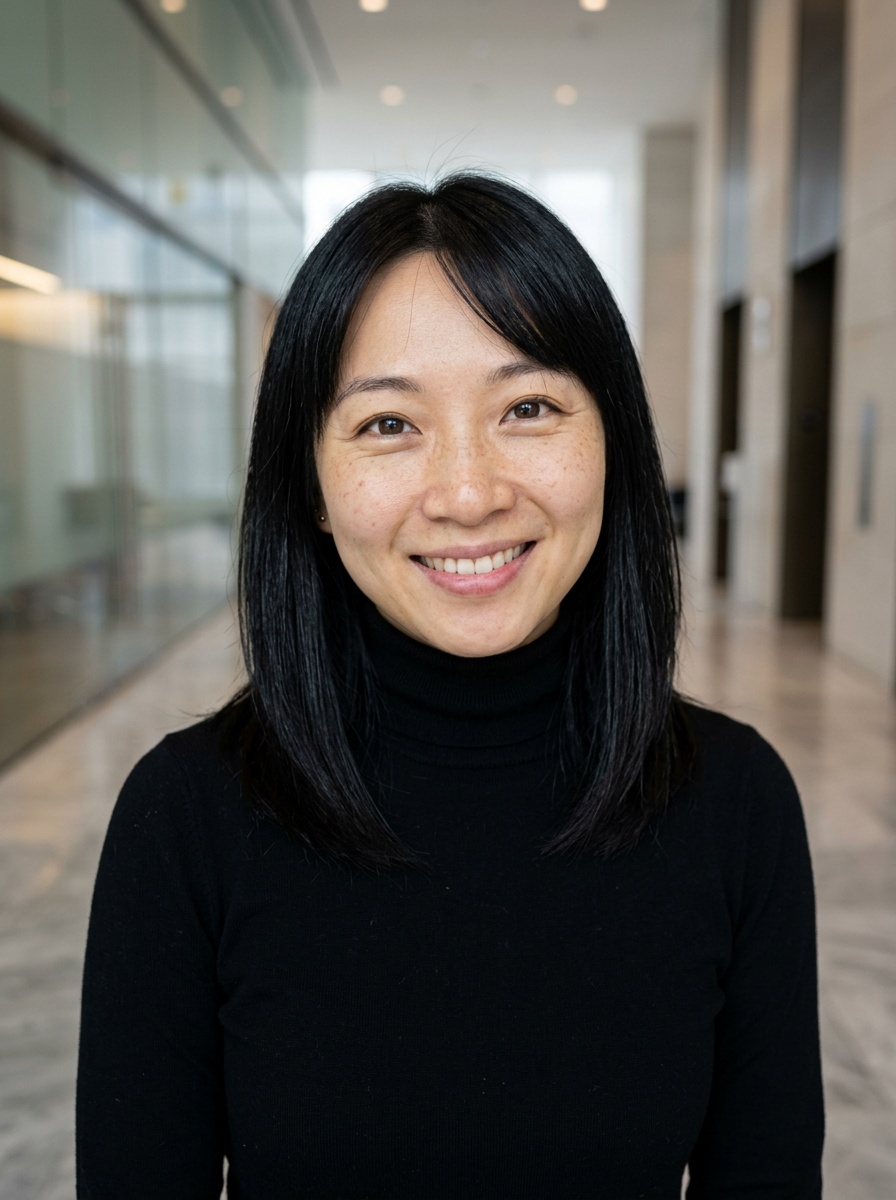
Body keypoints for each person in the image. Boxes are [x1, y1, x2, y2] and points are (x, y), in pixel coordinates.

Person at [76, 173, 824, 1199]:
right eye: (388, 425)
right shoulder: (187, 817)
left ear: (612, 442)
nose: (469, 493)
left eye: (527, 407)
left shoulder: (732, 803)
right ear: (310, 486)